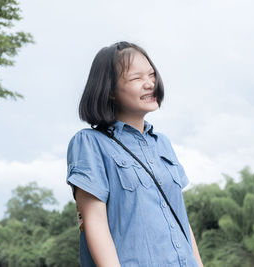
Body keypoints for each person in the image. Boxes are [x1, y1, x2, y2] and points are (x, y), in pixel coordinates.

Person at [66, 41, 204, 267]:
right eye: (136, 78)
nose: (150, 84)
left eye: (151, 75)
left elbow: (181, 220)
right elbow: (95, 223)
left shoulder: (163, 144)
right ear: (109, 91)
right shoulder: (90, 144)